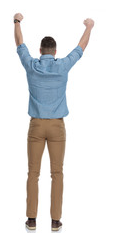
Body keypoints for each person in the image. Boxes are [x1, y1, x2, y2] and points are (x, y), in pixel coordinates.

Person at [14, 13, 94, 231]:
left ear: (40, 51)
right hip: (57, 127)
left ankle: (31, 219)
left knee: (33, 173)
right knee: (57, 173)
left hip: (36, 126)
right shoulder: (62, 66)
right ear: (55, 52)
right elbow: (81, 48)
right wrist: (89, 26)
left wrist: (17, 21)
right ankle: (55, 221)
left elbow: (20, 44)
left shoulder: (32, 65)